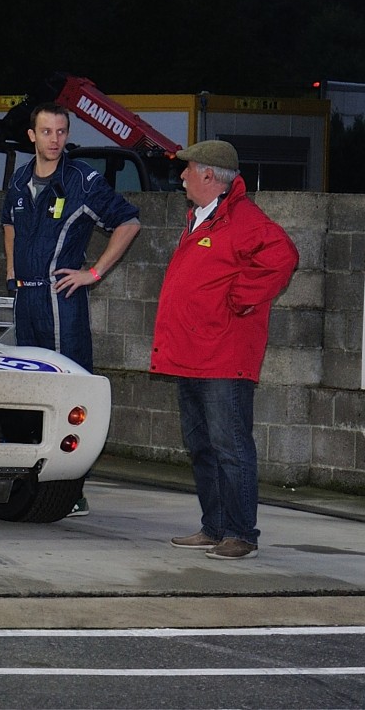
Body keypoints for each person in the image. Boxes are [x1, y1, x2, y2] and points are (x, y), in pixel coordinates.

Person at [152, 140, 297, 561]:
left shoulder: (243, 219)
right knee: (202, 445)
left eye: (188, 171)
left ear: (210, 176)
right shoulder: (203, 217)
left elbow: (283, 256)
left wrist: (242, 296)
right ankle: (215, 527)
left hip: (223, 355)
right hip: (195, 352)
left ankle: (240, 532)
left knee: (229, 445)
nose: (182, 178)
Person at [1, 103, 141, 515]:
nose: (54, 140)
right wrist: (11, 268)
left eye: (61, 132)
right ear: (32, 136)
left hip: (61, 302)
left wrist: (93, 273)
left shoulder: (82, 180)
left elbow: (129, 222)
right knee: (29, 392)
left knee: (68, 392)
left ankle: (68, 488)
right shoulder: (20, 178)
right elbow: (8, 219)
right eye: (46, 132)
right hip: (25, 298)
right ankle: (30, 481)